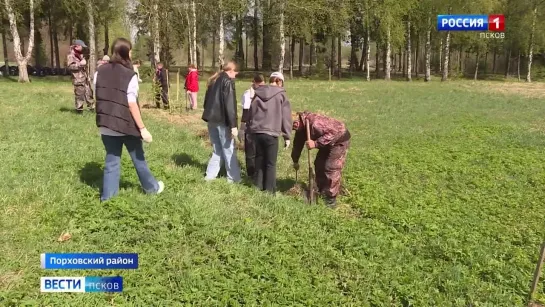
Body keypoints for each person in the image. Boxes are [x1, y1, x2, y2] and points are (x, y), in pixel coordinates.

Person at [94, 37, 164, 202]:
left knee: (112, 162)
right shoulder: (130, 75)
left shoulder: (99, 72)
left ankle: (108, 199)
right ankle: (152, 188)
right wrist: (142, 128)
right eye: (130, 51)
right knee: (139, 159)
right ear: (126, 52)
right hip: (126, 126)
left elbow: (99, 96)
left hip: (106, 126)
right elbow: (131, 104)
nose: (131, 54)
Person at [291, 111, 351, 208]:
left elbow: (334, 132)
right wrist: (295, 160)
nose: (293, 128)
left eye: (294, 124)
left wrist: (315, 144)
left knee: (331, 167)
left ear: (298, 120)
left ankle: (330, 199)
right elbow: (297, 145)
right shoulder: (301, 129)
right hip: (325, 143)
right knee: (319, 163)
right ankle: (321, 189)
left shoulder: (315, 122)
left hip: (339, 140)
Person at [247, 72, 292, 193]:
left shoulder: (258, 93)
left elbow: (251, 111)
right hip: (271, 133)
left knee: (259, 159)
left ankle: (257, 186)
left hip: (257, 131)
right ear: (279, 81)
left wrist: (250, 129)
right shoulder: (281, 95)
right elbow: (286, 117)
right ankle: (269, 191)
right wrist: (287, 136)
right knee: (270, 163)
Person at [201, 61, 241, 183]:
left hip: (211, 120)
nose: (235, 76)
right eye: (236, 73)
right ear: (231, 70)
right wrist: (233, 125)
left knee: (217, 149)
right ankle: (233, 178)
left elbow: (205, 102)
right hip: (223, 121)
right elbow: (230, 105)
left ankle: (210, 176)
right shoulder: (227, 81)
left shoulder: (213, 80)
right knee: (228, 149)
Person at [238, 73, 265, 177]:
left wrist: (242, 128)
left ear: (253, 82)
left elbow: (246, 111)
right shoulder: (265, 92)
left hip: (252, 126)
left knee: (251, 152)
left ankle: (252, 174)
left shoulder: (248, 93)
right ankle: (256, 174)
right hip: (262, 125)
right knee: (257, 152)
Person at [67, 39, 93, 113]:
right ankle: (79, 111)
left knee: (89, 93)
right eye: (82, 46)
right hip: (78, 78)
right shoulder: (71, 55)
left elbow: (88, 51)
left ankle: (91, 109)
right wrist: (80, 64)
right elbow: (70, 67)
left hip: (85, 78)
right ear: (77, 46)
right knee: (79, 95)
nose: (83, 48)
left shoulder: (81, 54)